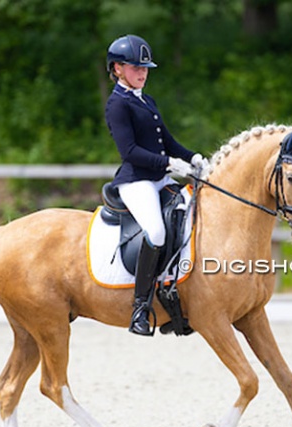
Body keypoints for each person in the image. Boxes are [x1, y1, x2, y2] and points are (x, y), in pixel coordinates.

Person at [104, 34, 208, 336]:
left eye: (145, 67)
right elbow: (130, 152)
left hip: (161, 178)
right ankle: (140, 308)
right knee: (157, 231)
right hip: (137, 182)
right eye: (136, 67)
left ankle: (180, 295)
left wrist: (194, 157)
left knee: (192, 220)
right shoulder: (117, 105)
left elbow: (168, 141)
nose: (143, 72)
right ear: (118, 68)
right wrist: (168, 164)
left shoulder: (146, 100)